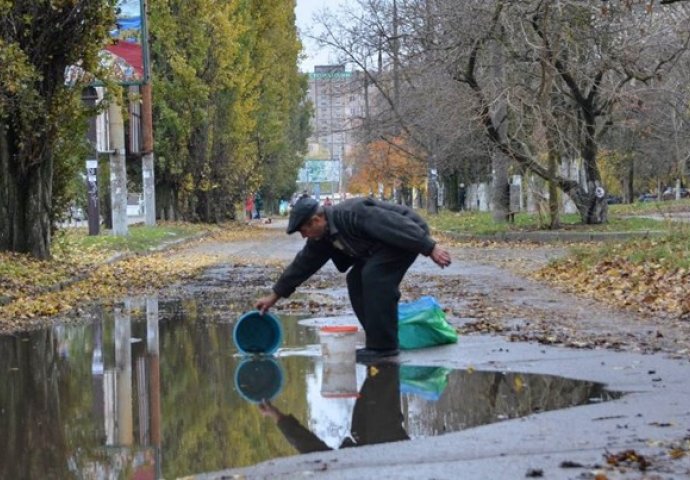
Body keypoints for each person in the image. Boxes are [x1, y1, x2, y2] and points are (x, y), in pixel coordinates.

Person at [255, 196, 452, 361]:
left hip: (406, 234)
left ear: (316, 220)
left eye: (303, 230)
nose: (303, 236)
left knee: (375, 276)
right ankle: (378, 338)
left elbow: (395, 225)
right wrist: (274, 296)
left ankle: (384, 347)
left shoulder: (352, 213)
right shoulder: (322, 236)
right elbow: (302, 265)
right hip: (382, 246)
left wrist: (430, 247)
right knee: (355, 280)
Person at [258, 363, 408, 452]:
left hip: (373, 438)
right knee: (381, 366)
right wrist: (277, 416)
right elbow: (312, 449)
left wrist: (278, 417)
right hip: (379, 439)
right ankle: (383, 357)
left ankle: (383, 357)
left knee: (381, 365)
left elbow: (312, 449)